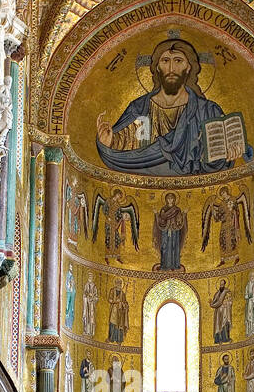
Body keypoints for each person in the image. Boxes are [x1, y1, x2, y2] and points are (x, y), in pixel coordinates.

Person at [96, 38, 230, 176]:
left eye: (178, 61)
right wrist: (108, 143)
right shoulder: (138, 108)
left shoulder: (208, 111)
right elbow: (125, 147)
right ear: (158, 67)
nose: (171, 68)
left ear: (188, 67)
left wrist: (231, 150)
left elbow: (218, 159)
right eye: (165, 61)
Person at [152, 191, 187, 271]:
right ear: (166, 200)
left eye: (171, 198)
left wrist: (184, 214)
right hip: (165, 231)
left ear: (174, 200)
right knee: (165, 246)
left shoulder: (177, 210)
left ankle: (174, 265)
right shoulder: (163, 210)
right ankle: (164, 265)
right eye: (168, 199)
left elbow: (179, 221)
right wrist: (156, 214)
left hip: (175, 231)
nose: (170, 200)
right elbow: (161, 220)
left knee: (174, 246)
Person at [210, 279, 233, 344]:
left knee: (225, 324)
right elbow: (215, 301)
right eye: (220, 284)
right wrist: (212, 304)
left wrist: (227, 303)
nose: (221, 286)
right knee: (218, 325)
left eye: (222, 284)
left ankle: (225, 338)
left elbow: (230, 301)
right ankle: (218, 339)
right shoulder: (217, 293)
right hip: (219, 312)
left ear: (225, 284)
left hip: (225, 311)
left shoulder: (227, 292)